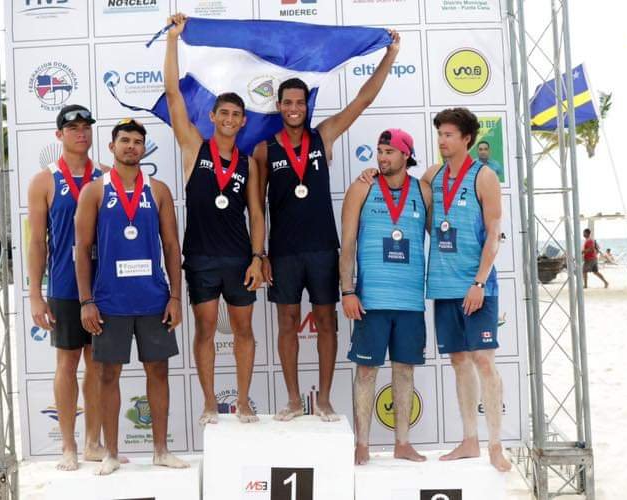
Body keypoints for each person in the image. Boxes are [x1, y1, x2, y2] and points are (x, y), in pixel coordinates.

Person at [253, 30, 401, 422]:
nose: (294, 108)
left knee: (326, 323)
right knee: (286, 323)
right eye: (287, 103)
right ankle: (290, 398)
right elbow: (257, 207)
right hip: (283, 251)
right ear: (279, 106)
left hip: (322, 248)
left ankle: (324, 400)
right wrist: (260, 253)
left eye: (300, 102)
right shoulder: (264, 150)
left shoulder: (324, 136)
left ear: (307, 105)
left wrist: (390, 55)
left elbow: (363, 100)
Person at [163, 14, 265, 425]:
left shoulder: (248, 161)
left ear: (243, 121)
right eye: (222, 113)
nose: (227, 119)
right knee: (204, 331)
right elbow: (173, 96)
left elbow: (257, 212)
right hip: (201, 257)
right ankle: (209, 403)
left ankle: (242, 401)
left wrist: (258, 256)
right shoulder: (194, 148)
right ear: (213, 117)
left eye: (235, 115)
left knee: (244, 332)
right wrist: (173, 40)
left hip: (239, 257)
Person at [75, 119, 188, 475]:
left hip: (154, 299)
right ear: (111, 147)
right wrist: (85, 301)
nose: (131, 146)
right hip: (110, 301)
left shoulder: (158, 190)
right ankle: (110, 453)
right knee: (108, 375)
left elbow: (171, 246)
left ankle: (160, 449)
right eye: (125, 140)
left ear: (144, 149)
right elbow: (82, 249)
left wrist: (174, 297)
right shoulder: (94, 191)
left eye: (138, 141)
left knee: (159, 372)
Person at [422, 108, 511, 472]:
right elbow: (397, 185)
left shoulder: (485, 176)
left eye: (449, 135)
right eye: (440, 134)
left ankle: (495, 444)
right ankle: (470, 440)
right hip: (443, 287)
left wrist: (478, 282)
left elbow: (494, 234)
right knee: (459, 362)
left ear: (467, 139)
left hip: (477, 287)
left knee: (484, 360)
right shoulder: (432, 176)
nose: (442, 140)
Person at [340, 129, 430, 465]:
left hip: (410, 300)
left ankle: (402, 443)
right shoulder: (362, 187)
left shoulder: (422, 190)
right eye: (379, 150)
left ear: (406, 155)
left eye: (389, 151)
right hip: (371, 299)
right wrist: (347, 290)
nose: (381, 157)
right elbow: (347, 244)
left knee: (404, 370)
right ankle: (361, 444)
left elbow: (439, 233)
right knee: (366, 371)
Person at [27, 104, 106, 471]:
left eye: (86, 126)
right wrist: (35, 294)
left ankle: (93, 441)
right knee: (66, 363)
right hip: (62, 286)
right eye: (73, 127)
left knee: (98, 364)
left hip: (102, 286)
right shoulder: (44, 180)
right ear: (59, 135)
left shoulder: (105, 176)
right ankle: (68, 446)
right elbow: (37, 243)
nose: (81, 133)